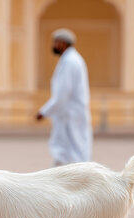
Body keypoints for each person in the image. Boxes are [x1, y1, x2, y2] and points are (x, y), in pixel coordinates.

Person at [36, 28, 92, 166]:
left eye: (56, 42)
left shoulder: (70, 62)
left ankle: (76, 180)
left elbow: (62, 93)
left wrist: (44, 112)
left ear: (62, 43)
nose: (54, 45)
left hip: (69, 113)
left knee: (69, 149)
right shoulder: (70, 59)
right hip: (71, 112)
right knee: (72, 148)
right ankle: (64, 179)